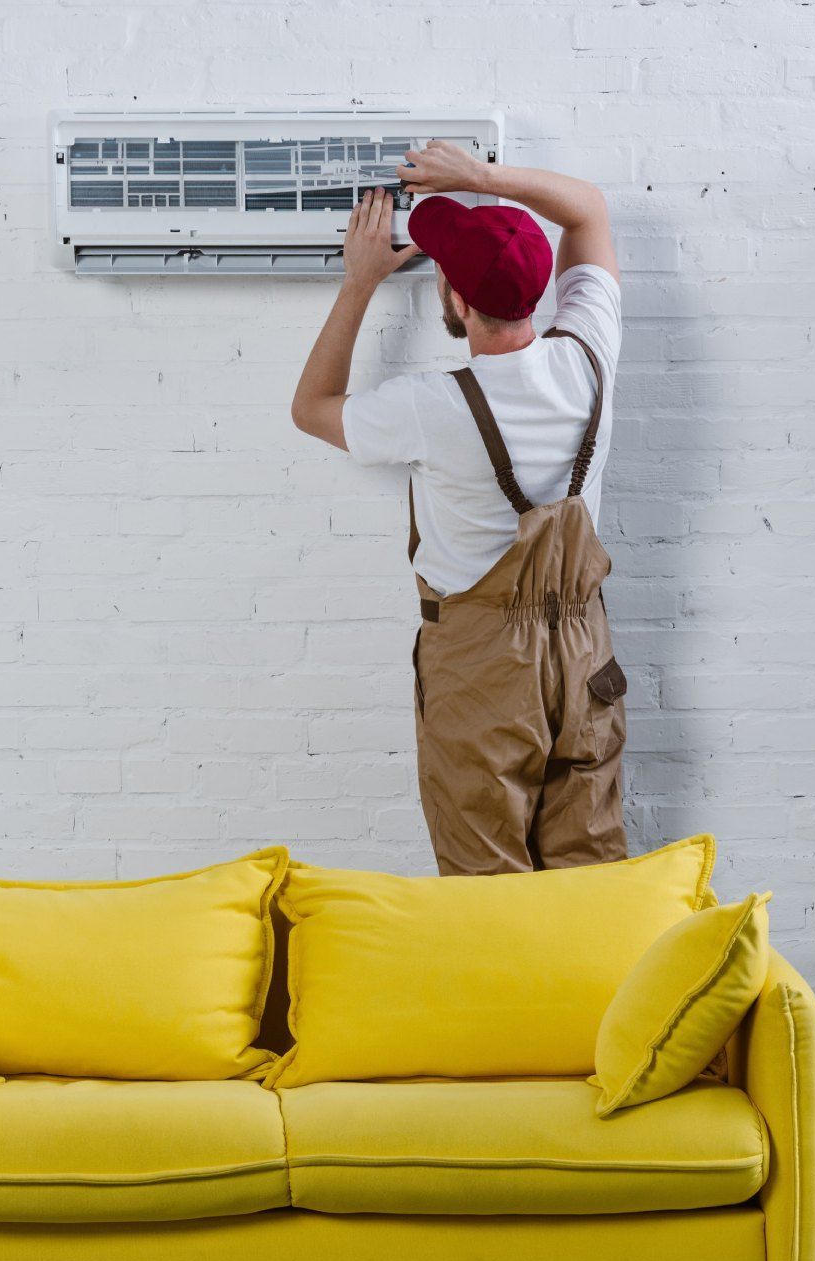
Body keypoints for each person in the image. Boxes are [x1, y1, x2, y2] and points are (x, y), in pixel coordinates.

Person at [290, 143, 627, 877]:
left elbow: (311, 408)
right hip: (585, 651)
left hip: (483, 668)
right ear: (539, 294)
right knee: (594, 881)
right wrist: (481, 177)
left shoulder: (432, 406)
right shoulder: (589, 355)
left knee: (487, 889)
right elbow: (589, 208)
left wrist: (359, 283)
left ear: (457, 301)